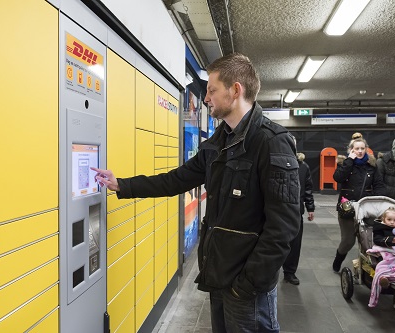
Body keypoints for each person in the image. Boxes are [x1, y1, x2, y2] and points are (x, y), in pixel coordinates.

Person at [92, 53, 301, 333]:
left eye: (212, 90)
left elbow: (284, 227)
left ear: (235, 90)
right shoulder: (218, 143)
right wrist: (123, 185)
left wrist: (248, 284)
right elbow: (176, 180)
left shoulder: (271, 142)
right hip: (219, 274)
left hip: (248, 288)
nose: (206, 99)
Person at [332, 135, 386, 272]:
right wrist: (349, 160)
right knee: (348, 241)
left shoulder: (372, 166)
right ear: (351, 150)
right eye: (357, 149)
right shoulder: (345, 163)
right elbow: (338, 178)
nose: (360, 151)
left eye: (362, 148)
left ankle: (368, 268)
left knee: (367, 240)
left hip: (366, 208)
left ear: (366, 149)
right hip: (347, 208)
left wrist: (375, 201)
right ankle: (338, 260)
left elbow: (379, 185)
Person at [282, 152, 315, 285]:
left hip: (296, 210)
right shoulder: (271, 162)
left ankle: (289, 272)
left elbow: (308, 188)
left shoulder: (303, 166)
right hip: (276, 210)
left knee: (295, 244)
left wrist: (310, 207)